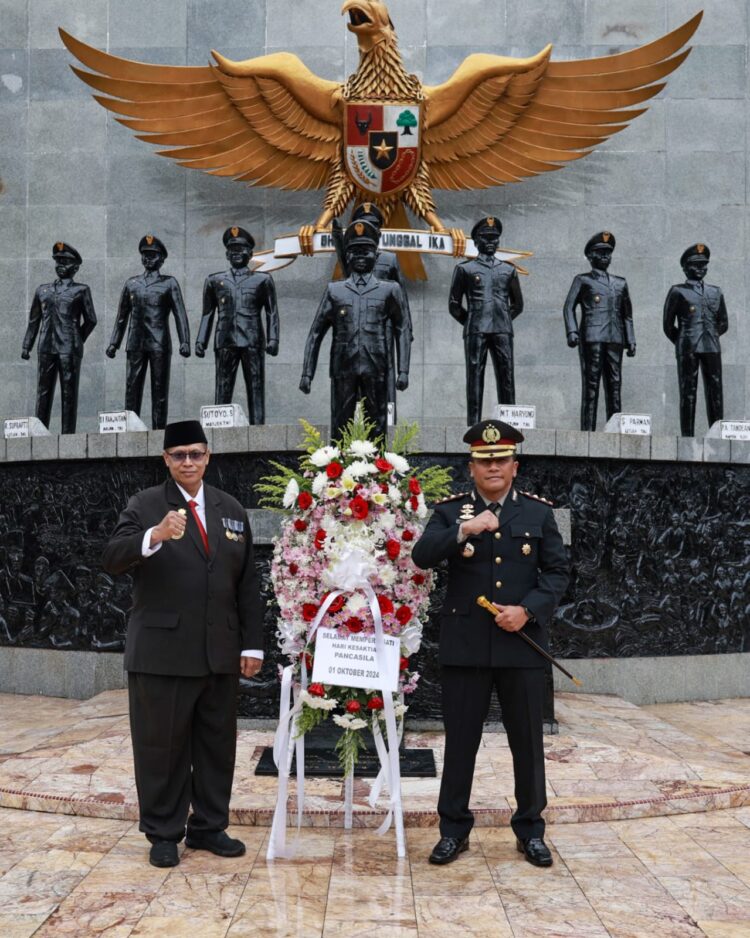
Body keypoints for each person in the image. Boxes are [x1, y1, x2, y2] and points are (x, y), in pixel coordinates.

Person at [102, 420, 264, 868]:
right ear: (166, 460)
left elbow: (247, 582)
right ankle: (163, 832)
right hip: (163, 654)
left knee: (216, 746)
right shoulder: (146, 505)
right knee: (162, 748)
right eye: (179, 455)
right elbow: (112, 557)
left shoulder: (230, 508)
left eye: (195, 453)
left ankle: (209, 827)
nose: (188, 462)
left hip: (219, 653)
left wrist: (252, 645)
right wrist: (153, 536)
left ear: (208, 457)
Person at [412, 419, 569, 867]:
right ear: (472, 467)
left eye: (501, 460)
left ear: (515, 466)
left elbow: (558, 572)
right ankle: (453, 831)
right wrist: (465, 531)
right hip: (466, 647)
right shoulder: (451, 512)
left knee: (527, 742)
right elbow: (421, 556)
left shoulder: (537, 513)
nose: (493, 467)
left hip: (521, 644)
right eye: (484, 461)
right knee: (461, 742)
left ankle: (531, 830)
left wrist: (528, 610)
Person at [300, 219, 411, 441]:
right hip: (343, 367)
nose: (360, 256)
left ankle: (379, 465)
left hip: (376, 366)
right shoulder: (335, 290)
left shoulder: (390, 290)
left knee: (377, 427)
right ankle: (337, 465)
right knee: (340, 426)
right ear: (347, 256)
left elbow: (403, 328)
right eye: (354, 252)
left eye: (366, 251)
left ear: (375, 255)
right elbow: (316, 333)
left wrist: (403, 370)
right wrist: (307, 373)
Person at [195, 226, 279, 424]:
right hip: (225, 340)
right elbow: (207, 313)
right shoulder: (215, 280)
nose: (236, 253)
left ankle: (258, 430)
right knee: (222, 387)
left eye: (241, 250)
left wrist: (273, 339)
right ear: (227, 254)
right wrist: (201, 341)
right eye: (232, 250)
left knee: (255, 387)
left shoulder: (262, 280)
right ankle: (218, 430)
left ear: (250, 254)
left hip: (252, 340)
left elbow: (272, 312)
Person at [106, 235, 191, 429]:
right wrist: (114, 343)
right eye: (145, 255)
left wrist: (184, 341)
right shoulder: (131, 283)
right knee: (132, 388)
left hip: (159, 343)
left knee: (159, 390)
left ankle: (159, 431)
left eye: (153, 255)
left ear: (161, 259)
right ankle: (129, 429)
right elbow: (121, 317)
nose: (148, 259)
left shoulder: (169, 283)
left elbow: (180, 314)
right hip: (135, 342)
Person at [449, 216, 523, 424]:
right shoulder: (465, 269)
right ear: (476, 241)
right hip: (476, 330)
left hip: (502, 329)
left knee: (506, 375)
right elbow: (454, 305)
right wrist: (472, 321)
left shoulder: (508, 270)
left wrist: (504, 319)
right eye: (486, 238)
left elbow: (518, 304)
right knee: (474, 376)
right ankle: (473, 423)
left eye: (494, 238)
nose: (491, 242)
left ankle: (510, 423)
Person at [563, 231, 636, 430]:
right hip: (591, 337)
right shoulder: (583, 280)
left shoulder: (620, 282)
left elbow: (627, 314)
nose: (605, 257)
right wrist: (572, 332)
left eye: (608, 253)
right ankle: (588, 430)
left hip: (615, 338)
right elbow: (569, 307)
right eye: (600, 253)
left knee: (615, 385)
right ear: (590, 256)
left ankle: (615, 429)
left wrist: (631, 339)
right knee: (591, 385)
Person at [22, 242, 97, 434]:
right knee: (43, 392)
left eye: (66, 262)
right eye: (58, 261)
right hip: (46, 346)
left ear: (76, 267)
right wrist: (27, 345)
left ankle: (68, 435)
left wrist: (76, 339)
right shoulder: (43, 290)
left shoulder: (81, 290)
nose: (61, 265)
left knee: (68, 393)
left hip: (69, 349)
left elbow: (91, 320)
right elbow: (34, 320)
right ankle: (39, 433)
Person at [663, 243, 728, 437]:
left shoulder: (716, 291)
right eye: (695, 264)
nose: (700, 268)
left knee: (715, 390)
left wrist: (711, 335)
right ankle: (687, 436)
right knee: (688, 391)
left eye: (703, 264)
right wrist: (683, 340)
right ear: (685, 268)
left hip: (711, 346)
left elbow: (723, 322)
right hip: (688, 347)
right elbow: (668, 325)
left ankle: (717, 434)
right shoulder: (678, 291)